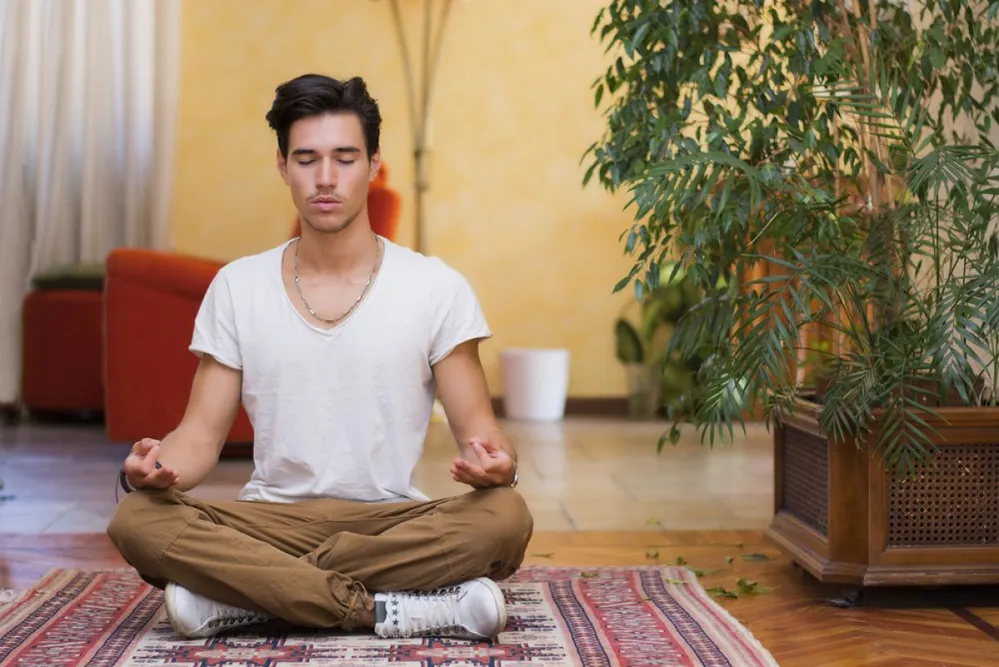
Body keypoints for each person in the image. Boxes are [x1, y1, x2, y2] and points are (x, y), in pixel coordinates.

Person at [106, 73, 534, 642]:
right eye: (306, 159)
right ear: (282, 166)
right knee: (135, 518)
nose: (326, 179)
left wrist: (500, 465)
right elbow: (200, 438)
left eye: (345, 157)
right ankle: (389, 610)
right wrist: (153, 471)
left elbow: (483, 437)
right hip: (267, 522)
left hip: (389, 520)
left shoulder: (436, 287)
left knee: (505, 517)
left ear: (374, 163)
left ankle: (250, 599)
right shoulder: (238, 286)